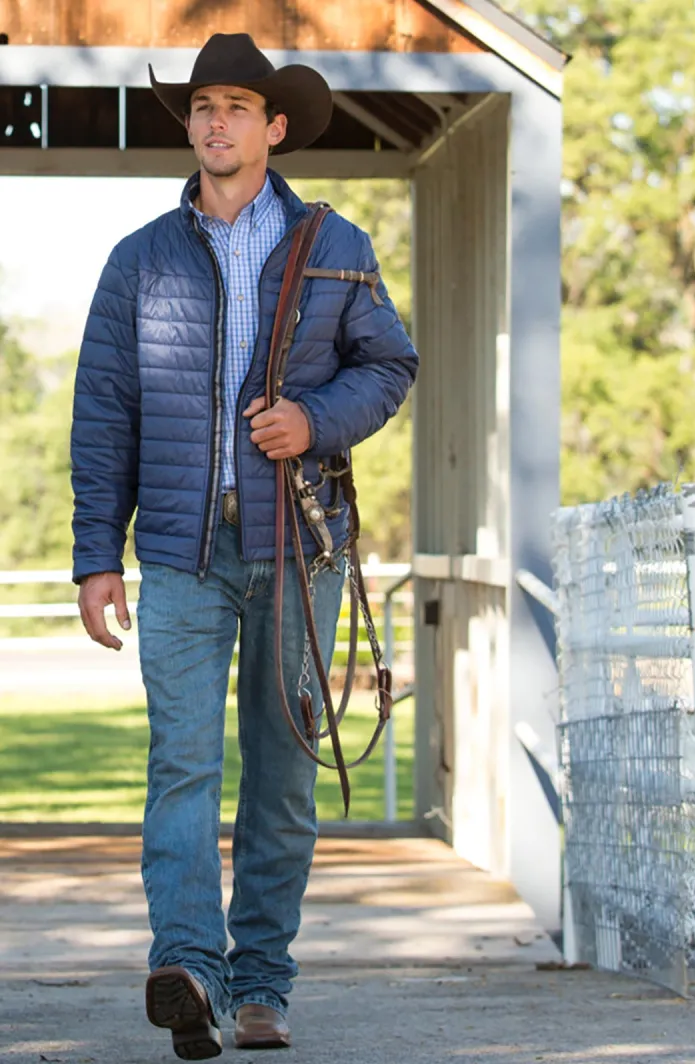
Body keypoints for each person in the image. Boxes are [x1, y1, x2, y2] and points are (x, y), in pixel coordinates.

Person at [70, 32, 418, 1060]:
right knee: (180, 765)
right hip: (182, 554)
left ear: (274, 126)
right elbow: (104, 413)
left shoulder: (338, 244)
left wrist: (314, 420)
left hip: (299, 550)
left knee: (283, 775)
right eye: (201, 105)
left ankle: (262, 980)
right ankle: (189, 967)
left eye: (235, 105)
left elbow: (389, 366)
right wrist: (97, 554)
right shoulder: (138, 260)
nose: (214, 120)